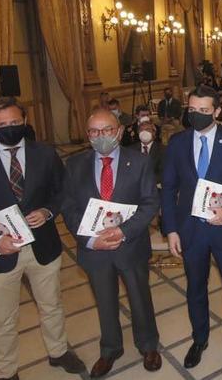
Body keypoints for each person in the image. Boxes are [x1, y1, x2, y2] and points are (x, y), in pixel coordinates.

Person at [0, 98, 85, 380]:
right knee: (3, 319)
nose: (9, 129)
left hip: (43, 246)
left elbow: (64, 192)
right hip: (1, 252)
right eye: (1, 125)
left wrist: (48, 211)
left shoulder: (45, 154)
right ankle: (6, 371)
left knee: (52, 305)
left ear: (24, 122)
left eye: (14, 123)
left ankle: (59, 351)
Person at [60, 109, 161, 377]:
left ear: (118, 131)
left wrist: (124, 231)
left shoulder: (139, 162)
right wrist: (89, 240)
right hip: (94, 250)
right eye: (94, 131)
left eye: (106, 130)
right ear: (88, 135)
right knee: (104, 301)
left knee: (140, 298)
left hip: (130, 245)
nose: (100, 136)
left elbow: (151, 203)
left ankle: (148, 344)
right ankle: (110, 349)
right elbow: (68, 207)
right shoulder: (74, 164)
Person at [161, 85, 222, 369]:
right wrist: (171, 229)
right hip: (190, 230)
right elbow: (169, 188)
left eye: (204, 111)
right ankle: (199, 338)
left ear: (217, 111)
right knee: (196, 287)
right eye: (192, 110)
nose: (197, 116)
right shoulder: (177, 143)